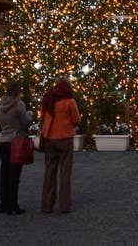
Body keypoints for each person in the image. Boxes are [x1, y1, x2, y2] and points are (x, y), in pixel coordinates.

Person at [41, 78, 82, 214]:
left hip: (49, 138)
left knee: (49, 171)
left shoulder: (48, 99)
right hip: (65, 138)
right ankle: (64, 205)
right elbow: (76, 120)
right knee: (65, 172)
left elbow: (42, 117)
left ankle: (47, 205)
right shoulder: (70, 101)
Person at [0, 80, 31, 215]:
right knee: (14, 175)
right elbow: (26, 122)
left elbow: (0, 123)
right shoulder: (19, 105)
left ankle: (3, 204)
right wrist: (30, 115)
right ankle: (13, 204)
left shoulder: (0, 105)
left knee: (4, 173)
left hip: (3, 141)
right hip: (15, 141)